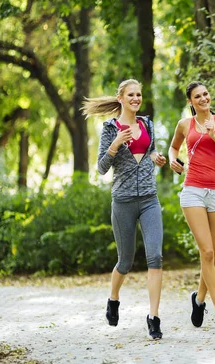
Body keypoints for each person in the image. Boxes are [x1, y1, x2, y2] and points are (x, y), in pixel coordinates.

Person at [81, 79, 167, 340]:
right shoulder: (109, 128)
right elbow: (101, 168)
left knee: (156, 258)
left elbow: (149, 152)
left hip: (150, 199)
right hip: (123, 202)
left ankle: (153, 318)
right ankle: (113, 298)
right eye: (131, 94)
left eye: (139, 94)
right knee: (125, 262)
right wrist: (116, 143)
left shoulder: (147, 124)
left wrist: (156, 157)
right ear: (121, 98)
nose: (136, 98)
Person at [168, 81, 215, 332]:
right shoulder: (184, 124)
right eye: (197, 96)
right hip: (193, 192)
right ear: (190, 102)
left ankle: (198, 300)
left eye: (206, 94)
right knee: (206, 252)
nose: (203, 98)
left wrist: (212, 135)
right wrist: (172, 159)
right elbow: (174, 146)